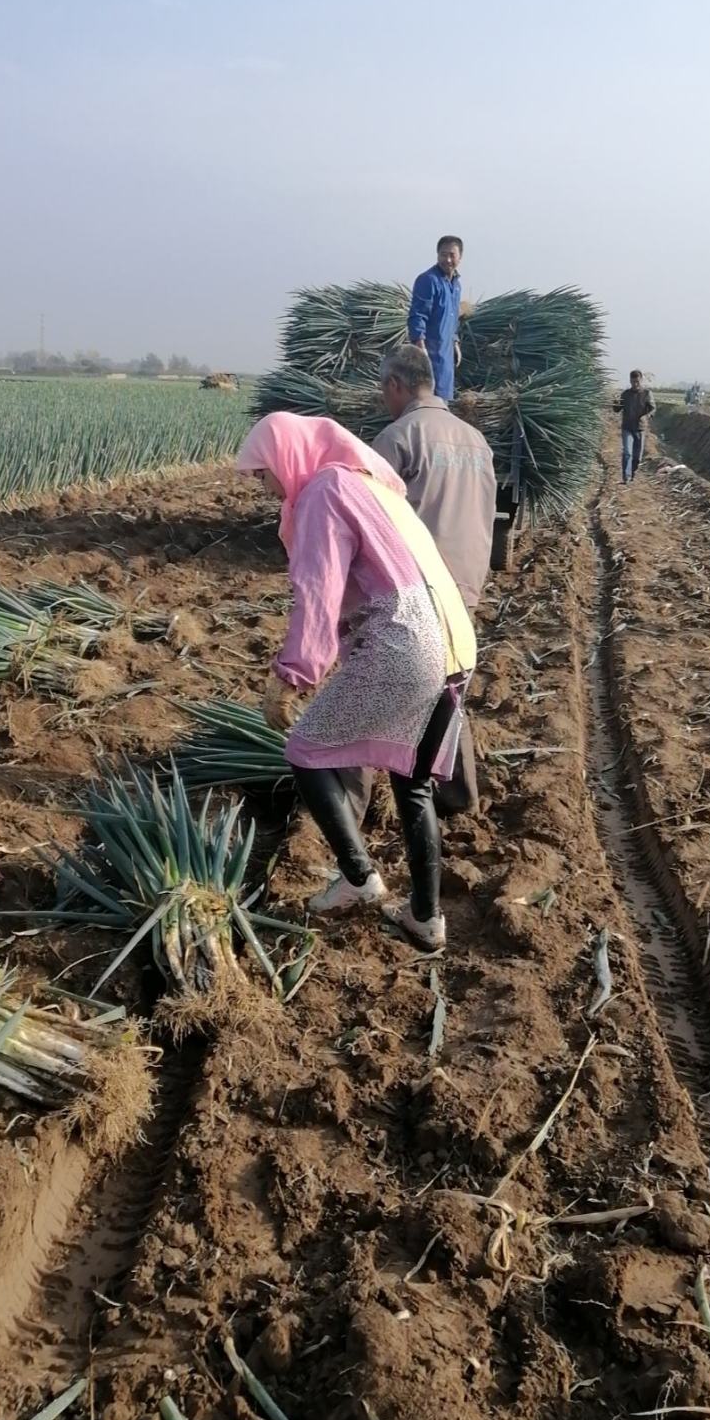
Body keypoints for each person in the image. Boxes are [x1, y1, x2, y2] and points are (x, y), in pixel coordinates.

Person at [236, 412, 476, 952]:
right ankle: (426, 918)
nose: (263, 485)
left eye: (262, 472)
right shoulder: (372, 485)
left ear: (287, 456)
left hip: (403, 643)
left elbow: (317, 589)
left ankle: (360, 878)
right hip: (453, 640)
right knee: (412, 783)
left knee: (303, 750)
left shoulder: (325, 490)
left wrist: (292, 675)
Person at [343, 343, 496, 822]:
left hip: (418, 587)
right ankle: (458, 795)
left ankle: (350, 806)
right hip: (466, 581)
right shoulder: (476, 439)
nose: (383, 398)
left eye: (383, 389)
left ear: (396, 385)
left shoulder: (398, 437)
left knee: (371, 687)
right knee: (447, 686)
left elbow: (368, 518)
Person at [408, 235, 463, 401]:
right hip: (429, 354)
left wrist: (455, 341)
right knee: (428, 401)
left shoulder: (456, 285)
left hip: (445, 355)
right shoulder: (428, 280)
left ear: (460, 257)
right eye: (443, 255)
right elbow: (418, 315)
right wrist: (420, 345)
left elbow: (453, 318)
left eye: (452, 255)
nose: (447, 259)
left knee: (444, 401)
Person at [614, 370, 656, 483]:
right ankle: (626, 477)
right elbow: (617, 409)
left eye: (637, 381)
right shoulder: (625, 394)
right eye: (633, 381)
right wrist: (615, 401)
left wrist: (646, 416)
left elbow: (653, 408)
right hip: (627, 427)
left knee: (637, 457)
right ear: (630, 381)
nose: (635, 384)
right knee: (628, 452)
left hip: (640, 428)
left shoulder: (647, 394)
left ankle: (632, 473)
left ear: (641, 380)